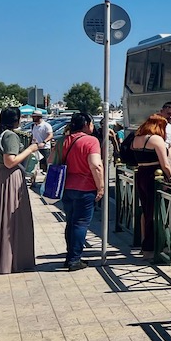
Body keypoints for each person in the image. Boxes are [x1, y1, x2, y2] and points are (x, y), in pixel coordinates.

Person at [0, 107, 39, 273]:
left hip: (0, 177)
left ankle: (2, 259)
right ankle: (11, 260)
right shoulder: (10, 136)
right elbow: (10, 161)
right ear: (16, 119)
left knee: (2, 218)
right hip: (9, 178)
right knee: (12, 219)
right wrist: (30, 149)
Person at [59, 113, 105, 271]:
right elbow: (96, 165)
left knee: (70, 222)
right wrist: (101, 187)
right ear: (86, 124)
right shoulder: (91, 141)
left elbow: (51, 161)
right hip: (86, 187)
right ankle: (74, 260)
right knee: (81, 223)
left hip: (66, 187)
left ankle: (70, 256)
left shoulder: (63, 140)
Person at [131, 114, 171, 256]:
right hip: (154, 176)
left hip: (141, 173)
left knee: (146, 209)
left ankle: (146, 245)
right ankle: (152, 246)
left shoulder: (136, 139)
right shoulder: (156, 139)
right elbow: (165, 164)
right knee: (155, 212)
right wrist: (170, 177)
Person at [158, 102, 171, 169]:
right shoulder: (152, 126)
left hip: (165, 164)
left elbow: (169, 145)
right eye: (169, 114)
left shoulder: (170, 127)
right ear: (161, 111)